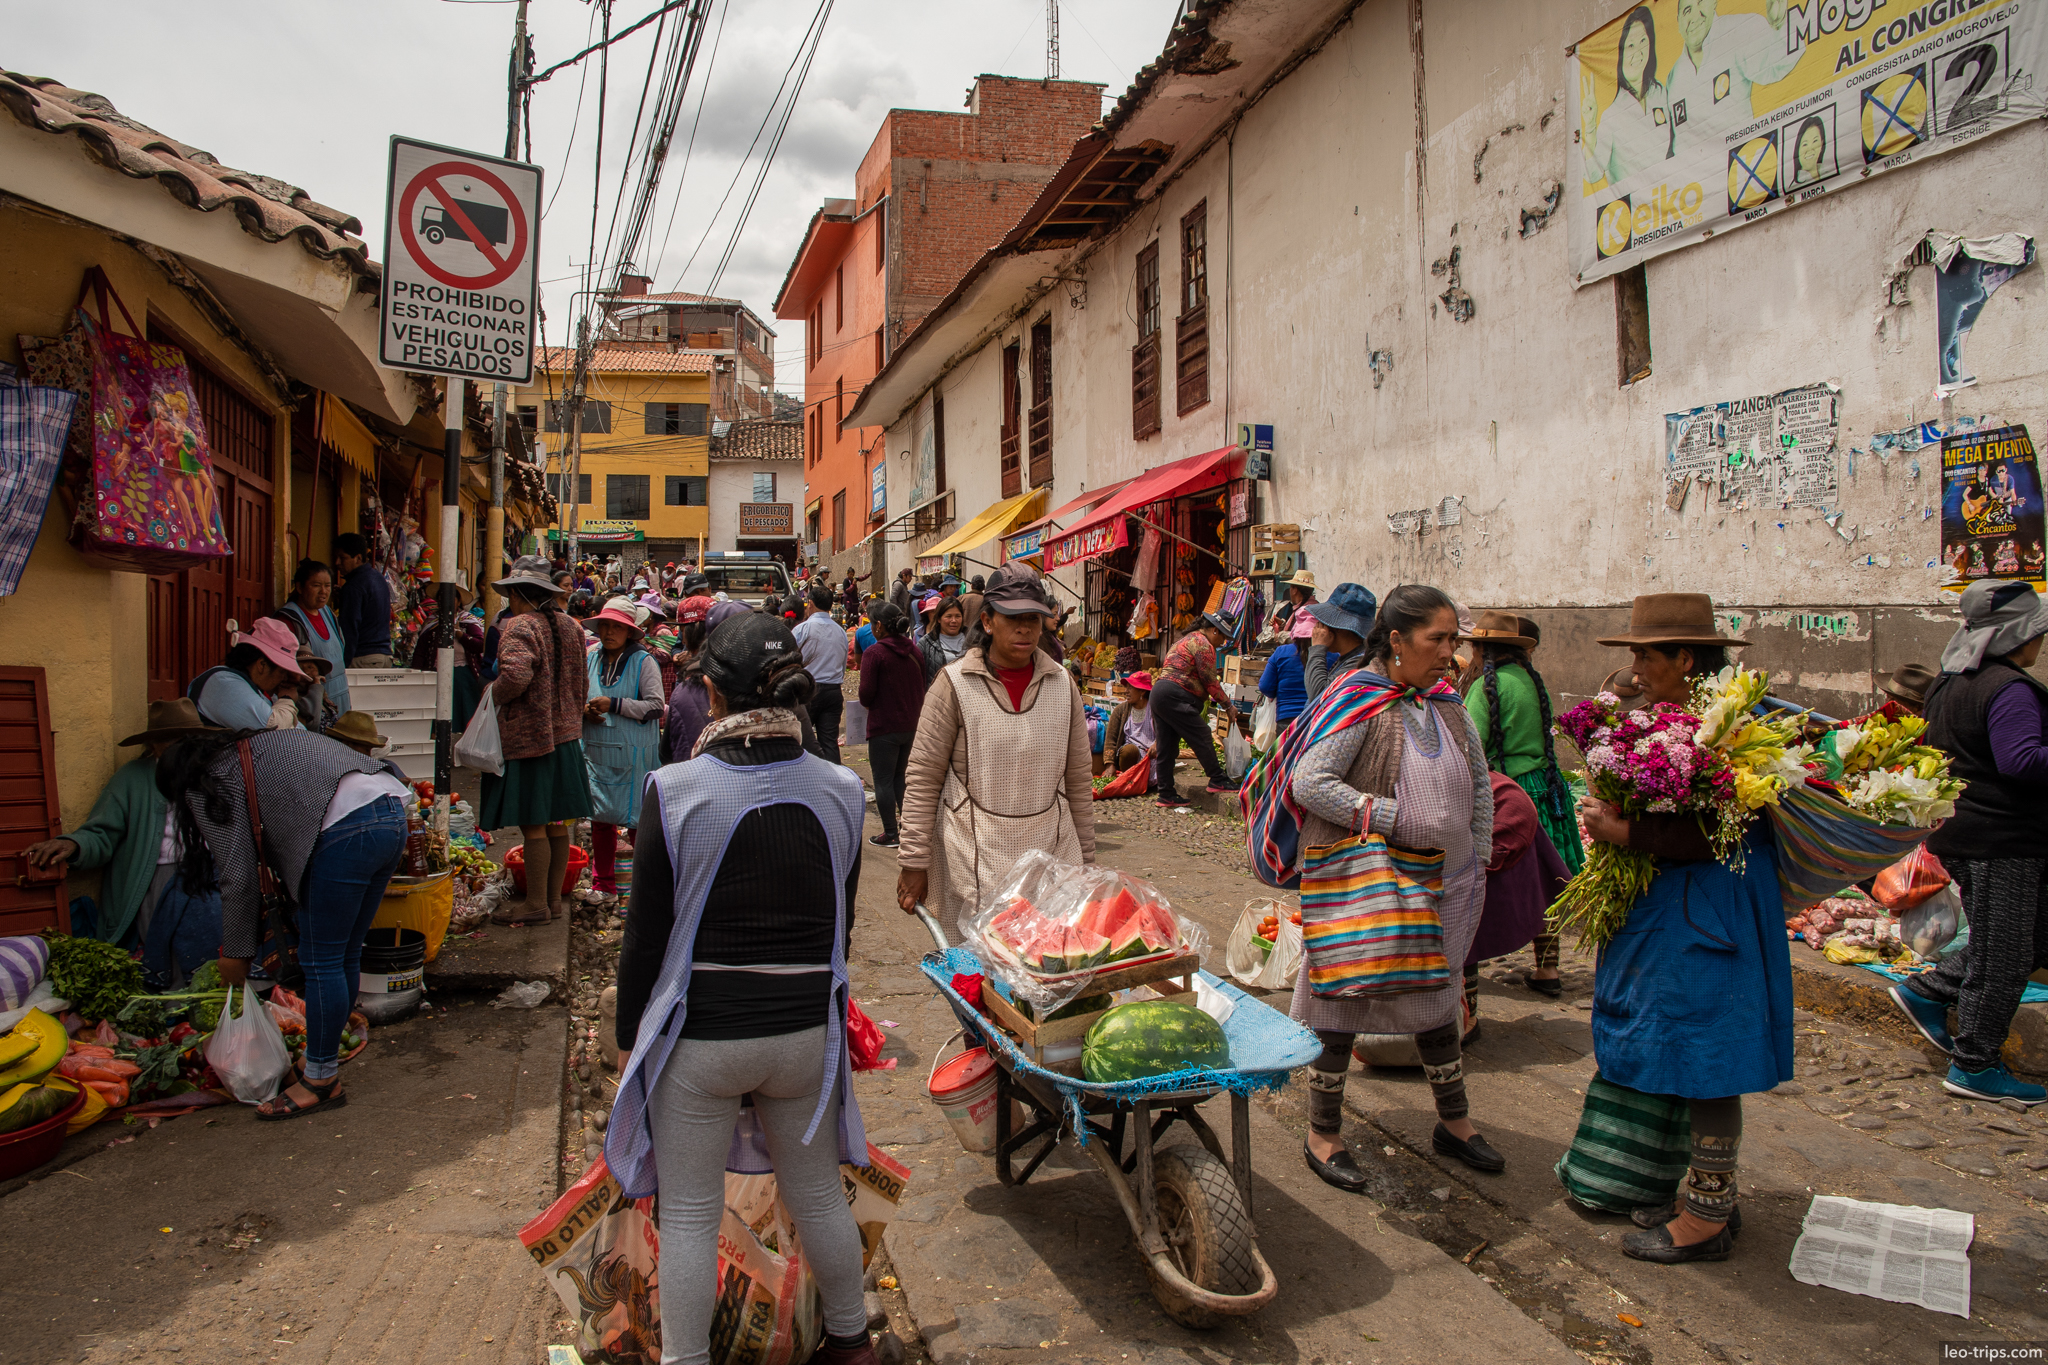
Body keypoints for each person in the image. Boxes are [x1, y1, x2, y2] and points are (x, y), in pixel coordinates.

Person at [1552, 593, 1783, 1265]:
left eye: (1644, 653)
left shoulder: (1732, 730)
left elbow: (1727, 825)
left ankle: (1707, 1218)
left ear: (1685, 657)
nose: (1635, 665)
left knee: (1708, 1058)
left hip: (1709, 916)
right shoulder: (1678, 724)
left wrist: (1628, 829)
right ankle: (1703, 1196)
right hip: (1682, 910)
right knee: (1684, 1054)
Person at [1277, 584, 1499, 1191]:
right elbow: (1309, 782)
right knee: (1345, 997)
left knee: (1437, 995)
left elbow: (1479, 785)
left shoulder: (1446, 702)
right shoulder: (1361, 700)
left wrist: (1476, 853)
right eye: (1439, 639)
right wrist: (1389, 817)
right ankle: (1322, 1132)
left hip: (1449, 884)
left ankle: (1453, 1123)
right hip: (1371, 881)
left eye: (1455, 639)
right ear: (1397, 640)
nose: (1451, 652)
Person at [158, 724, 410, 1120]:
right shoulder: (260, 742)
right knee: (343, 953)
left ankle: (322, 1080)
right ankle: (319, 1062)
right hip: (391, 816)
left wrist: (237, 952)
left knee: (321, 961)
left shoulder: (208, 778)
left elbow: (238, 874)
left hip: (346, 832)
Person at [1888, 580, 2048, 1104]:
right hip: (2000, 841)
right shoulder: (2010, 689)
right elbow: (2021, 761)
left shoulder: (1950, 684)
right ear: (2017, 638)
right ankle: (1975, 1065)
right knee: (2004, 956)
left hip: (1964, 833)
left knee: (2029, 937)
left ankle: (1927, 991)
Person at [894, 563, 1097, 937]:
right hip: (973, 859)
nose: (1025, 628)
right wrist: (914, 860)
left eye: (1034, 618)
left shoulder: (1063, 685)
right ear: (987, 622)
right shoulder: (953, 684)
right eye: (1013, 617)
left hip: (1049, 857)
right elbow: (923, 778)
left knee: (1046, 971)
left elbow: (1079, 783)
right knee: (981, 983)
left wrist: (1087, 863)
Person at [21, 699, 223, 985]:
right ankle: (172, 1011)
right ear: (154, 745)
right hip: (156, 878)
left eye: (187, 741)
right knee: (165, 956)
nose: (180, 749)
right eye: (171, 742)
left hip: (206, 874)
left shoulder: (213, 773)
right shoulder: (133, 778)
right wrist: (74, 845)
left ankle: (208, 1007)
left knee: (209, 948)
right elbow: (102, 831)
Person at [1460, 611, 1583, 997]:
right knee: (1545, 880)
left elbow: (1471, 746)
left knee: (1489, 880)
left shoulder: (1487, 688)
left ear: (1482, 649)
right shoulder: (1532, 681)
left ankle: (1471, 970)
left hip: (1508, 795)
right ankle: (1548, 968)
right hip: (1544, 787)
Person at [485, 555, 594, 925]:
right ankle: (552, 901)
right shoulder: (572, 627)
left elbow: (514, 678)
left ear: (518, 594)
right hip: (566, 738)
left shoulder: (519, 627)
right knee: (557, 824)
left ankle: (534, 904)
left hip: (532, 739)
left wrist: (492, 696)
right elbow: (582, 685)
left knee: (533, 824)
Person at [581, 598, 666, 911]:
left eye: (617, 626)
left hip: (634, 757)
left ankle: (647, 889)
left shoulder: (644, 662)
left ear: (630, 632)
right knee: (600, 821)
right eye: (605, 625)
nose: (609, 631)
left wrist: (614, 705)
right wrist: (586, 711)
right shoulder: (590, 658)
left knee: (637, 823)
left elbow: (656, 707)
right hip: (597, 753)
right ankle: (604, 885)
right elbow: (578, 696)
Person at [1664, 0, 1797, 158]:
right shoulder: (1675, 76)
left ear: (1714, 3)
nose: (1694, 16)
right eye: (1687, 10)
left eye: (1700, 3)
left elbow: (1775, 65)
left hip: (1738, 166)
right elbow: (1675, 141)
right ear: (1678, 21)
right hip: (1694, 178)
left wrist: (1778, 24)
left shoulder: (1738, 31)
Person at [1151, 614, 1242, 808]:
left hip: (1159, 693)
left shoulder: (1186, 639)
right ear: (1214, 630)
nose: (1223, 642)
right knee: (1201, 734)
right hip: (1176, 694)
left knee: (1167, 746)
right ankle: (1217, 778)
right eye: (1223, 636)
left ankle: (1165, 793)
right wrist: (1228, 706)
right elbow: (1210, 682)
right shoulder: (1202, 643)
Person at [859, 604, 928, 847]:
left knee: (883, 780)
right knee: (901, 778)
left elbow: (865, 695)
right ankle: (907, 828)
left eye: (871, 623)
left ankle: (890, 833)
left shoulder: (874, 654)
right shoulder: (914, 650)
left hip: (884, 727)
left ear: (878, 626)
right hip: (911, 726)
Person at [1580, 5, 1672, 185]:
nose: (1637, 51)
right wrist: (1590, 128)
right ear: (1621, 55)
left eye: (1643, 41)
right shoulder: (1613, 115)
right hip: (1635, 210)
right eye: (1630, 45)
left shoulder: (1660, 93)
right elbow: (1592, 173)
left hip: (1670, 202)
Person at [190, 618, 313, 731]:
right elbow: (272, 727)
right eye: (282, 672)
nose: (285, 678)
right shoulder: (223, 683)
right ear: (262, 665)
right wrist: (287, 699)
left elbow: (300, 732)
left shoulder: (259, 692)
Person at [277, 559, 351, 715]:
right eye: (316, 586)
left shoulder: (328, 613)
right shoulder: (289, 620)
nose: (323, 591)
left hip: (341, 698)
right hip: (315, 705)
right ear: (299, 587)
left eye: (327, 586)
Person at [793, 585, 849, 764]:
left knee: (804, 741)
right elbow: (842, 663)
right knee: (829, 741)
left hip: (808, 690)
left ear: (810, 604)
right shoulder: (840, 632)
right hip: (833, 691)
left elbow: (792, 661)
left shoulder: (802, 629)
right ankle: (834, 780)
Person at [1302, 583, 1378, 705]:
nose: (1318, 627)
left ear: (1338, 627)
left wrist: (1317, 648)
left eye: (1324, 622)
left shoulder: (1359, 663)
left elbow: (1318, 695)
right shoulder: (1347, 658)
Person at [1259, 613, 1335, 730]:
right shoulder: (1332, 656)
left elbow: (1265, 686)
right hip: (1318, 720)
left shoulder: (1281, 652)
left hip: (1286, 721)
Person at [331, 533, 395, 667]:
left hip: (363, 657)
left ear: (358, 558)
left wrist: (344, 663)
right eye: (336, 557)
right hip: (383, 656)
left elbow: (349, 628)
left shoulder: (354, 585)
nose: (337, 563)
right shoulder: (377, 577)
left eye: (342, 558)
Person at [1100, 671, 1157, 782]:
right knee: (1128, 751)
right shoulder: (1120, 711)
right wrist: (1109, 764)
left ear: (1142, 691)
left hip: (1152, 757)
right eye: (1126, 688)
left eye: (1130, 688)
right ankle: (1130, 779)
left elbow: (1167, 732)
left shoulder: (1155, 710)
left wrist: (1157, 743)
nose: (1126, 691)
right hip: (1132, 758)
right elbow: (1111, 739)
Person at [919, 597, 971, 681]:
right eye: (948, 616)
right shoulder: (926, 643)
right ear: (939, 619)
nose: (954, 620)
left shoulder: (973, 640)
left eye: (958, 616)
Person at [1788, 113, 1830, 188]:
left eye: (1815, 141)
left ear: (1822, 142)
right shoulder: (1795, 188)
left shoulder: (1829, 172)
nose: (1810, 149)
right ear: (1798, 149)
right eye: (1805, 144)